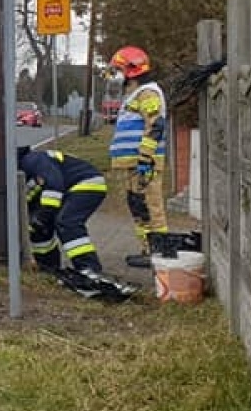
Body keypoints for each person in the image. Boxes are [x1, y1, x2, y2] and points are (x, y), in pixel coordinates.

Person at [108, 45, 170, 267]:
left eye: (119, 70)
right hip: (131, 164)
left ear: (130, 71)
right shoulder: (133, 96)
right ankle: (147, 250)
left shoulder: (148, 93)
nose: (117, 76)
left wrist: (145, 157)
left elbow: (155, 125)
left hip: (143, 163)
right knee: (138, 206)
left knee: (151, 206)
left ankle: (161, 254)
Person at [17, 144, 109, 274]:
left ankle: (89, 269)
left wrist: (44, 214)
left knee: (67, 222)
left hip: (86, 181)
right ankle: (48, 268)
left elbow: (54, 183)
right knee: (40, 229)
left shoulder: (33, 160)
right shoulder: (22, 175)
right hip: (68, 189)